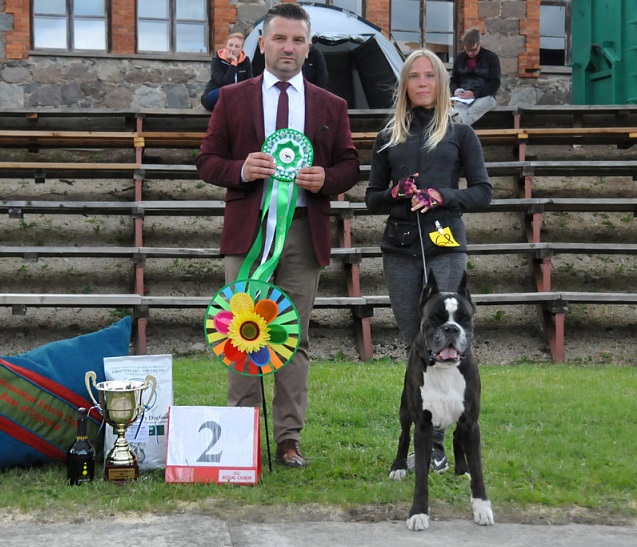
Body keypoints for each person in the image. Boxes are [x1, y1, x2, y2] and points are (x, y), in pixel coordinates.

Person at [196, 3, 359, 468]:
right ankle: (240, 435)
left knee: (294, 338)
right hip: (247, 236)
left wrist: (326, 179)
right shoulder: (232, 98)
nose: (289, 47)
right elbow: (207, 161)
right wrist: (240, 169)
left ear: (309, 48)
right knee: (239, 333)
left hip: (304, 235)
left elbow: (349, 165)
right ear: (262, 43)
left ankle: (288, 439)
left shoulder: (331, 105)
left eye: (298, 40)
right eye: (281, 38)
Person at [365, 49, 492, 471]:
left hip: (446, 245)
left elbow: (483, 193)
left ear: (440, 83)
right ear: (404, 85)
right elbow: (371, 198)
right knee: (416, 343)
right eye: (414, 76)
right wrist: (395, 193)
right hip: (400, 250)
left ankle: (441, 442)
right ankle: (419, 434)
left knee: (447, 341)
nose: (422, 83)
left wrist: (443, 195)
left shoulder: (461, 134)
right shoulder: (387, 136)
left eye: (429, 76)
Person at [450, 28, 501, 125]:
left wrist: (474, 94)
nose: (470, 53)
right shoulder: (460, 58)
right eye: (467, 50)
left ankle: (457, 129)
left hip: (486, 96)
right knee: (456, 112)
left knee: (471, 112)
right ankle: (458, 128)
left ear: (479, 44)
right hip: (464, 97)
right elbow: (454, 80)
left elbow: (495, 83)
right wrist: (455, 90)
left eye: (473, 50)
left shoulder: (491, 58)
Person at [200, 32, 253, 111]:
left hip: (235, 99)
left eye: (237, 46)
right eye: (230, 45)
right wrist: (233, 63)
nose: (233, 49)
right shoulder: (217, 60)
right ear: (226, 46)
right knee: (228, 91)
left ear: (241, 49)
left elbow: (249, 83)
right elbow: (225, 84)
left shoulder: (246, 61)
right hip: (215, 96)